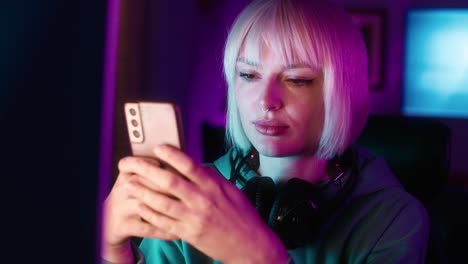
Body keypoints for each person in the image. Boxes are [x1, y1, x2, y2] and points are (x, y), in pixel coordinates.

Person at [101, 0, 429, 263]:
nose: (266, 100)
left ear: (341, 93)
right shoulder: (194, 195)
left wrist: (260, 259)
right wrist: (114, 253)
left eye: (297, 79)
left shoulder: (394, 219)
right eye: (248, 75)